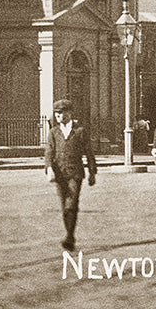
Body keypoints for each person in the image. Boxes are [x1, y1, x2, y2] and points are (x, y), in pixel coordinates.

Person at [44, 99, 97, 251]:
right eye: (57, 113)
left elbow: (89, 152)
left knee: (71, 204)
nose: (59, 116)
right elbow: (49, 151)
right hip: (59, 173)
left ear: (69, 113)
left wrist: (92, 172)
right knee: (64, 207)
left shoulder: (80, 131)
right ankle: (70, 234)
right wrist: (49, 168)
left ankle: (68, 236)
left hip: (75, 173)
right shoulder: (54, 132)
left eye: (62, 113)